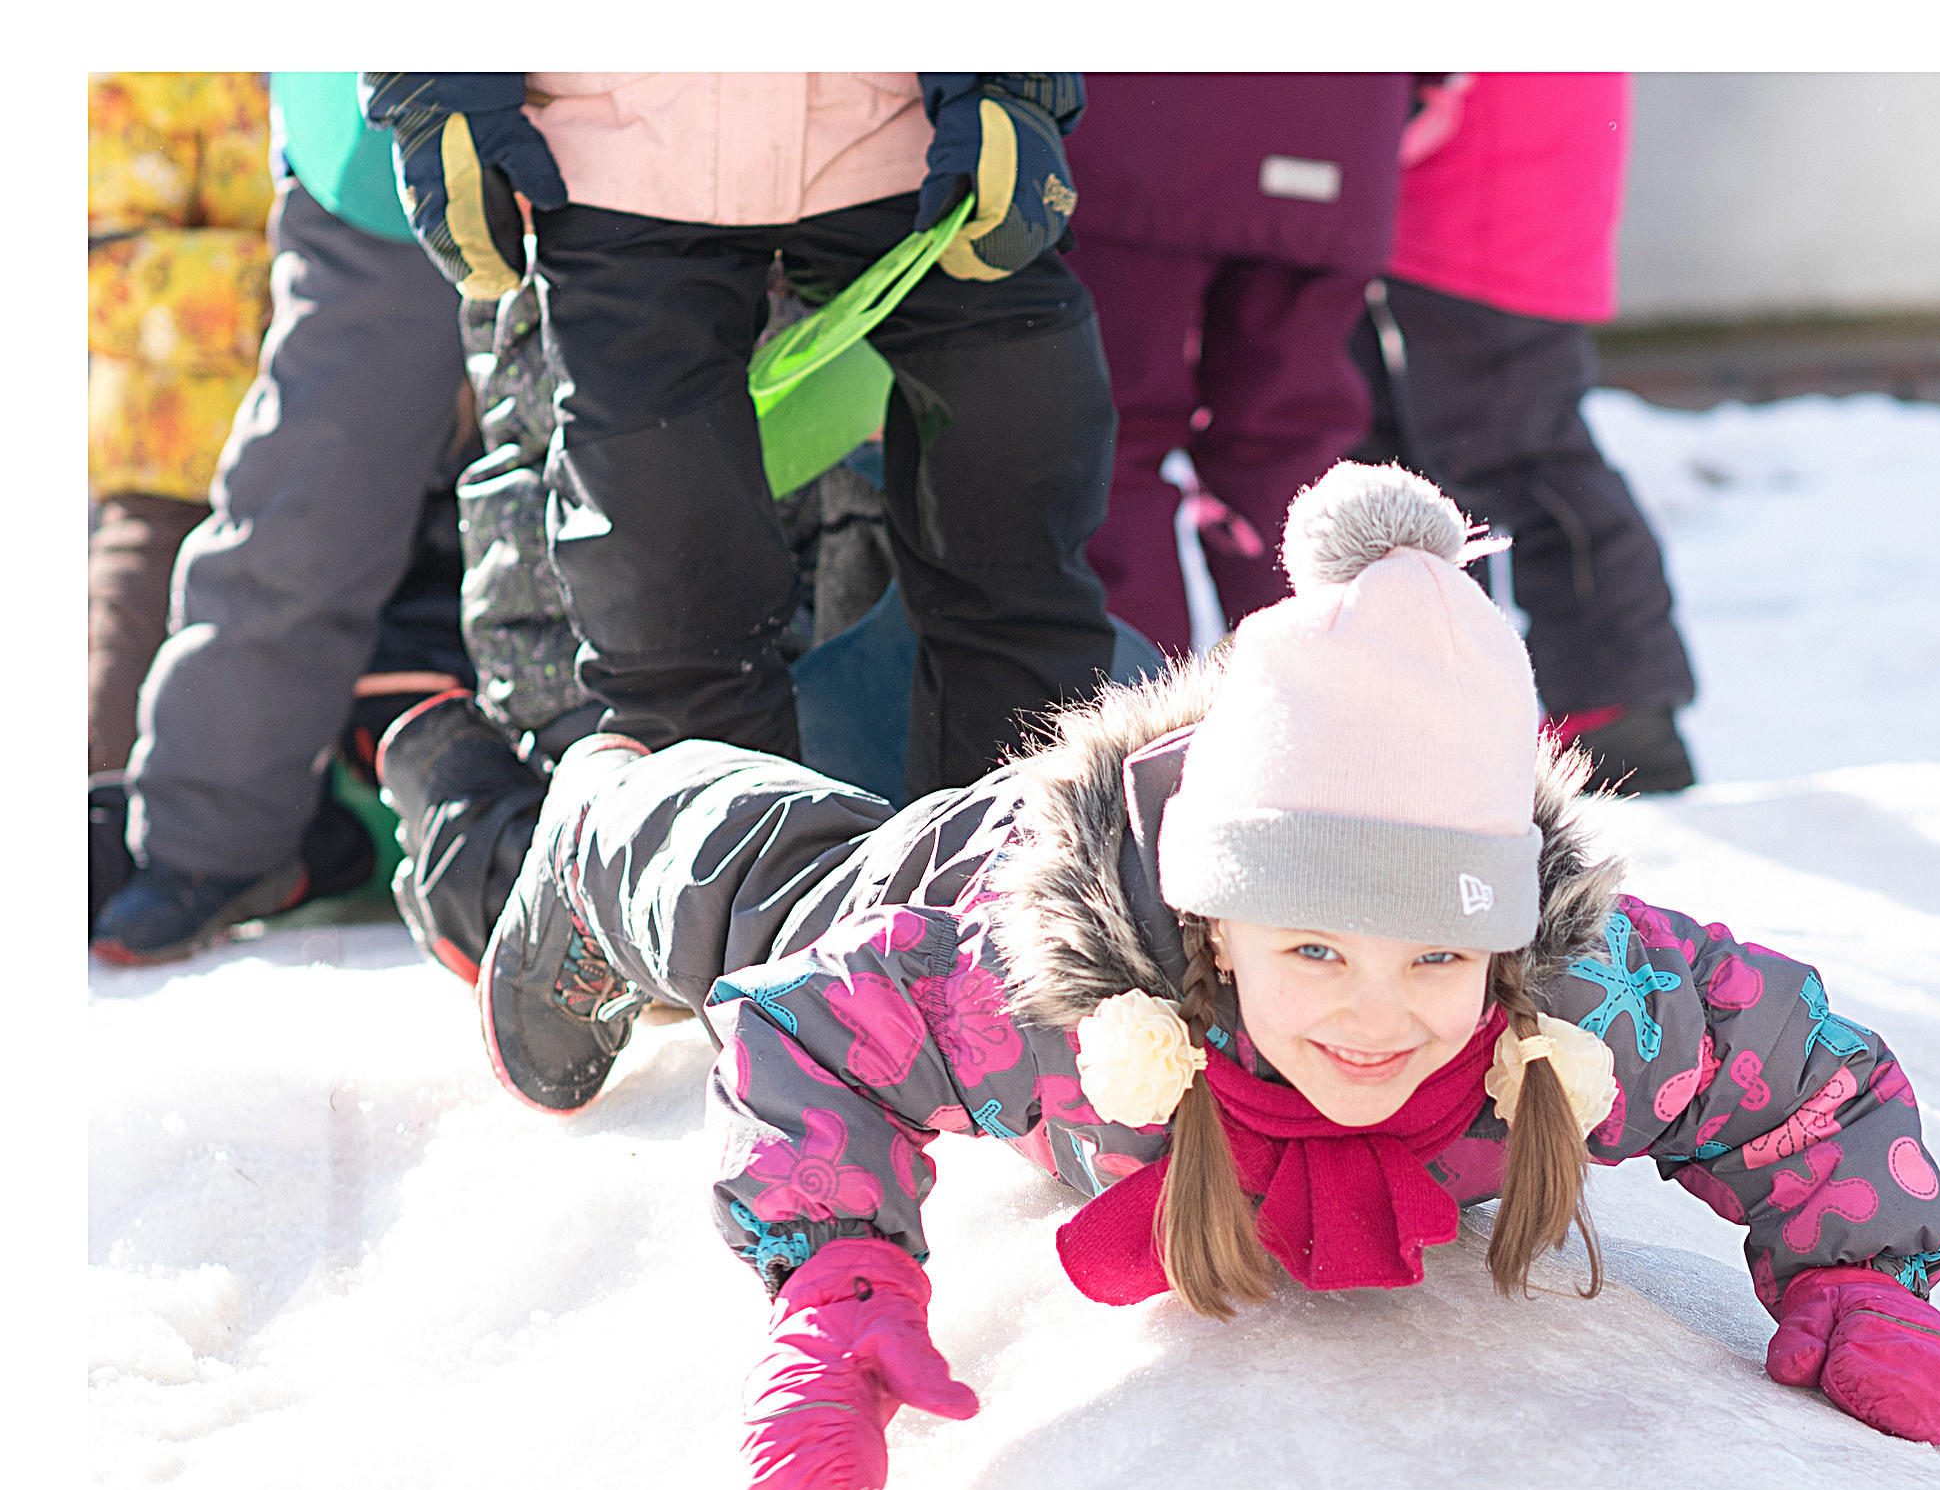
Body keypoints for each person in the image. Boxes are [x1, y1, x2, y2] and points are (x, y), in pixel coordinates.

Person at [382, 462, 1940, 1490]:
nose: (1378, 1014)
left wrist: (1859, 1272)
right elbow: (802, 1035)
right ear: (1220, 937)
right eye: (1317, 954)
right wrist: (840, 1287)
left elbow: (1800, 1077)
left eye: (1438, 961)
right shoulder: (1023, 998)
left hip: (1261, 804)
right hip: (985, 867)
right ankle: (603, 806)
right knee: (757, 887)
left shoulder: (1580, 1011)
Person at [359, 72, 1120, 798]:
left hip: (907, 137)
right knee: (673, 626)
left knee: (1019, 554)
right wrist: (435, 87)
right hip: (622, 159)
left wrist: (1019, 82)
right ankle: (731, 885)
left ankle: (1024, 872)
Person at [91, 74, 476, 964]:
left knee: (431, 649)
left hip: (422, 457)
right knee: (117, 724)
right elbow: (97, 261)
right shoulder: (156, 78)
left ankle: (386, 837)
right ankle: (217, 841)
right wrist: (265, 288)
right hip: (179, 474)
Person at [1357, 74, 1700, 797]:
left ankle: (1612, 715)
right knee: (1444, 472)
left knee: (1520, 462)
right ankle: (1463, 714)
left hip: (1476, 187)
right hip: (1488, 183)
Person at [1064, 74, 1414, 653]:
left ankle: (1132, 697)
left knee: (1109, 444)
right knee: (1290, 449)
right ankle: (1320, 687)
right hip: (1336, 130)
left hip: (1137, 136)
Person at [87, 72, 273, 779]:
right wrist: (302, 292)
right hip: (171, 488)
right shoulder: (154, 71)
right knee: (112, 754)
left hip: (365, 473)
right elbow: (102, 271)